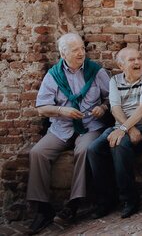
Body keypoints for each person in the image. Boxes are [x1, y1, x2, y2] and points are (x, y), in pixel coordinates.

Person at [27, 33, 110, 235]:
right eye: (75, 50)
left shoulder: (95, 71)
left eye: (82, 48)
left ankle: (73, 204)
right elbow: (41, 108)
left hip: (90, 125)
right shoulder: (53, 75)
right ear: (63, 53)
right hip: (61, 127)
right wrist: (61, 110)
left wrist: (103, 107)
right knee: (37, 152)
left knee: (85, 150)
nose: (81, 52)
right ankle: (42, 208)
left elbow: (112, 98)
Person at [87, 47, 142, 219]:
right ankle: (106, 200)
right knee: (94, 149)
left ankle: (130, 199)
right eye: (132, 60)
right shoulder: (115, 81)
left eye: (139, 58)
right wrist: (125, 129)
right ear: (121, 65)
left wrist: (125, 129)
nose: (137, 62)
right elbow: (115, 108)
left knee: (120, 145)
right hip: (121, 128)